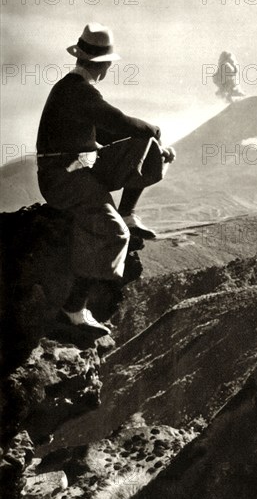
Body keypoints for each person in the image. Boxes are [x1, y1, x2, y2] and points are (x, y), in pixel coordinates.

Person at [36, 23, 176, 335]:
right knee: (114, 234)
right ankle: (73, 308)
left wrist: (155, 147)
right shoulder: (77, 92)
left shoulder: (75, 91)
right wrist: (155, 134)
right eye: (110, 61)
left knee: (146, 146)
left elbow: (117, 131)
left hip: (78, 169)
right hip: (64, 178)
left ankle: (128, 213)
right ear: (103, 63)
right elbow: (122, 122)